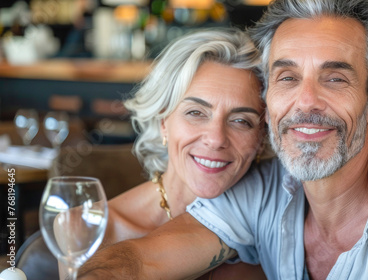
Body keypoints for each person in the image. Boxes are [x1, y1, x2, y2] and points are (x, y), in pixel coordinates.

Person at [77, 0, 368, 279]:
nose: (306, 102)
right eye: (287, 77)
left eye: (334, 78)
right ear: (268, 101)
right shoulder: (260, 193)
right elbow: (137, 260)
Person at [59, 28, 269, 279]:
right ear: (163, 121)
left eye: (241, 121)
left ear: (261, 139)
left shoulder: (279, 224)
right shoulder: (82, 228)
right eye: (196, 113)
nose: (216, 139)